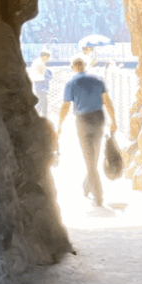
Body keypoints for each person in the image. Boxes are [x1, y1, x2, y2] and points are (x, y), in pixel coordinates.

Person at [58, 56, 117, 211]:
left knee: (89, 157)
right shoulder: (97, 79)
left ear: (73, 67)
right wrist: (114, 119)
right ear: (84, 65)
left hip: (83, 120)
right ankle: (86, 186)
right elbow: (107, 100)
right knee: (94, 155)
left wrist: (59, 124)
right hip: (98, 118)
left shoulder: (71, 83)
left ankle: (98, 194)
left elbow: (65, 106)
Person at [28, 47, 52, 117]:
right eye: (47, 57)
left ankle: (44, 117)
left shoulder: (37, 62)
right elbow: (43, 74)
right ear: (44, 56)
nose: (48, 59)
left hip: (37, 84)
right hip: (40, 84)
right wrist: (48, 76)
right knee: (41, 103)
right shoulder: (40, 63)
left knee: (44, 103)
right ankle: (35, 117)